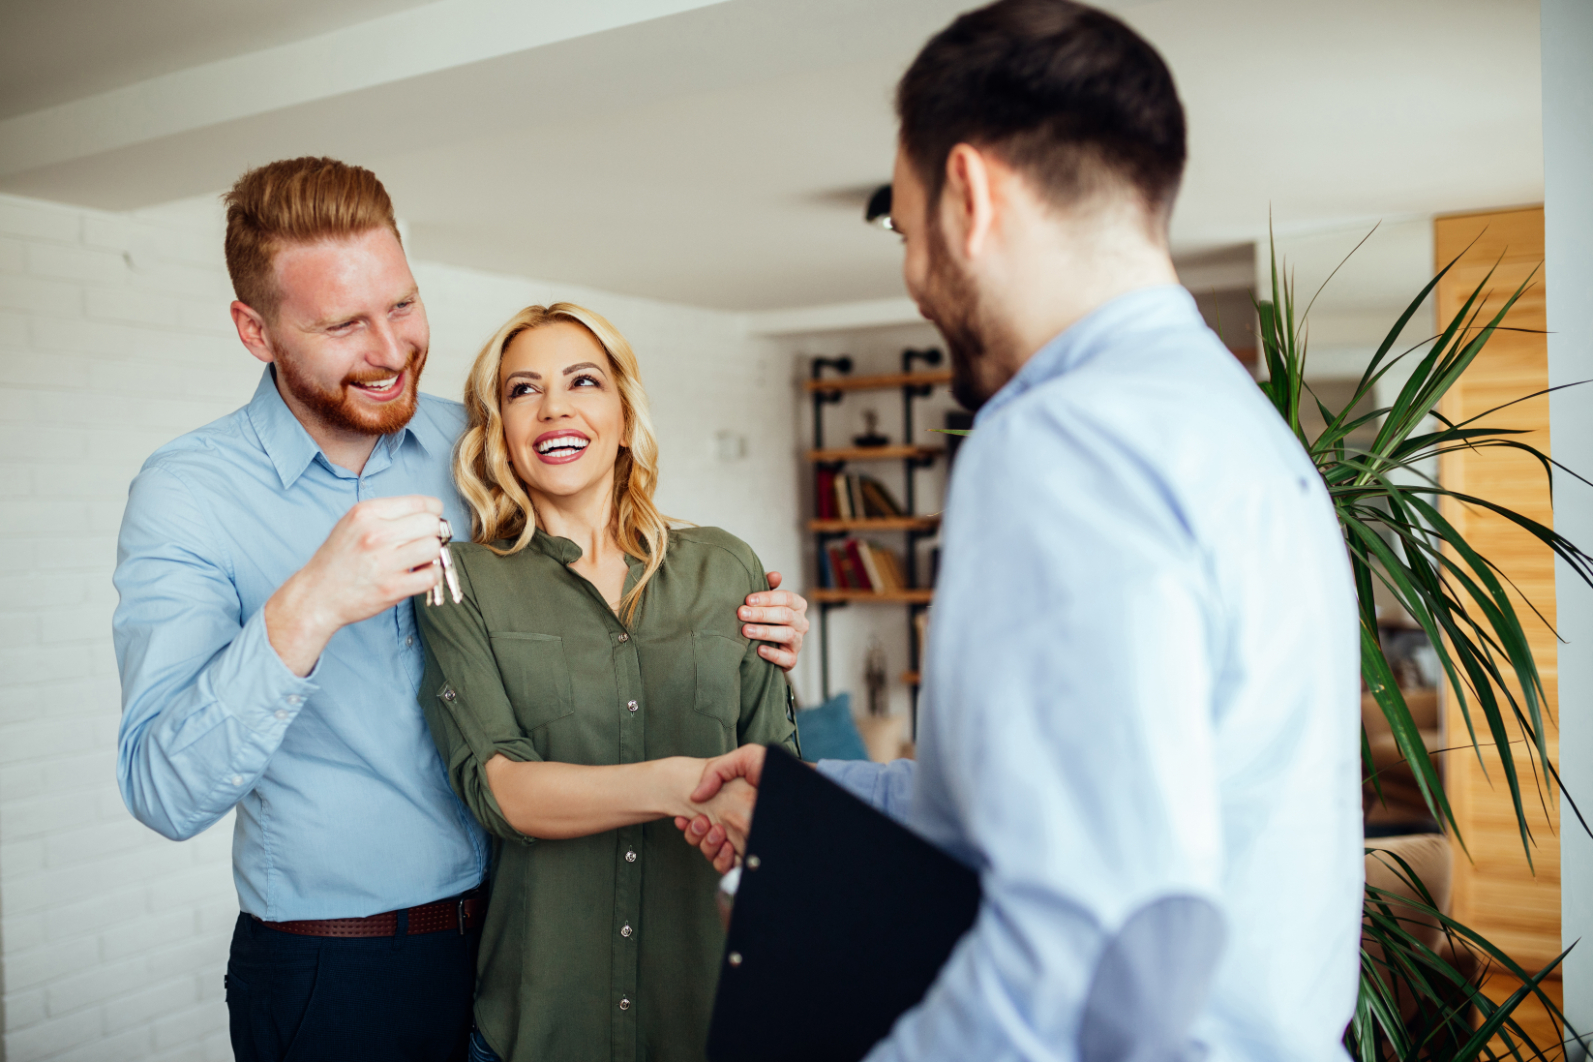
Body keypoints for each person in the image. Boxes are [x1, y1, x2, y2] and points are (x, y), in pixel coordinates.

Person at [682, 1, 1363, 1059]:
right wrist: (826, 794)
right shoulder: (1233, 425)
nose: (914, 284)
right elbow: (1108, 787)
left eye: (908, 233)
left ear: (970, 195)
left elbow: (1083, 947)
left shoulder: (1064, 439)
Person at [112, 157, 810, 1062]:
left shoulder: (474, 447)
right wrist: (311, 604)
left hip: (523, 940)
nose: (390, 348)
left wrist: (753, 625)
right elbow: (163, 789)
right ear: (256, 330)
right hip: (342, 966)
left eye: (401, 305)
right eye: (342, 324)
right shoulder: (189, 494)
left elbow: (615, 561)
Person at [411, 302, 798, 1062]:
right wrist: (686, 784)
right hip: (539, 1021)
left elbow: (775, 778)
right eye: (522, 390)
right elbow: (503, 790)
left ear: (622, 412)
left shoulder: (726, 568)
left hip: (712, 1016)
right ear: (500, 433)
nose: (553, 405)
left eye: (581, 381)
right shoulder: (458, 583)